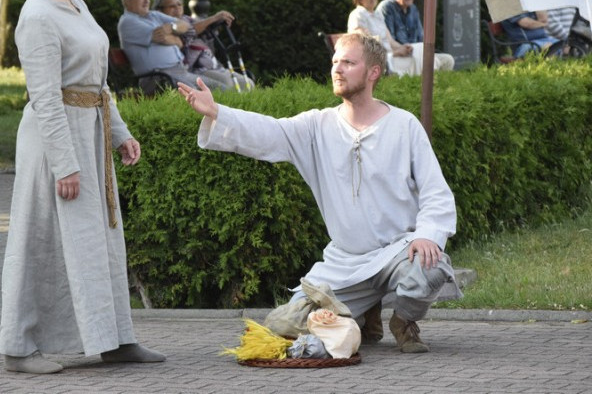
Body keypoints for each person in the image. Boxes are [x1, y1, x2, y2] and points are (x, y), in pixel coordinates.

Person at [178, 32, 461, 354]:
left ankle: (403, 320)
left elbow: (435, 192)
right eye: (335, 62)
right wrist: (218, 113)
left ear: (373, 72)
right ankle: (364, 311)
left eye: (348, 62)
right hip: (344, 263)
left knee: (431, 268)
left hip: (398, 252)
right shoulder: (317, 126)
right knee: (285, 324)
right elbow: (271, 131)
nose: (337, 69)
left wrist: (427, 234)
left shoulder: (403, 125)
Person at [0, 0, 165, 374]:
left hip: (90, 135)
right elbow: (44, 95)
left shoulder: (76, 3)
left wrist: (120, 134)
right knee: (40, 240)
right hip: (54, 144)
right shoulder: (38, 13)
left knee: (99, 243)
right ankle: (19, 348)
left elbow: (98, 83)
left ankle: (114, 339)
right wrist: (64, 164)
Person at [118, 0, 228, 94]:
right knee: (202, 95)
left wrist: (171, 27)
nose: (146, 1)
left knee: (222, 89)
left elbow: (184, 25)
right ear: (127, 2)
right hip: (159, 77)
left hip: (179, 72)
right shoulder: (127, 22)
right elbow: (163, 37)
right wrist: (176, 38)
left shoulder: (153, 15)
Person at [153, 0, 253, 90]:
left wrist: (218, 21)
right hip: (195, 70)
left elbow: (204, 27)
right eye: (172, 6)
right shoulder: (164, 26)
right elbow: (191, 31)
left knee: (248, 83)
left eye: (179, 4)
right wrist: (214, 18)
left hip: (214, 66)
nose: (177, 8)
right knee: (228, 83)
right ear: (160, 9)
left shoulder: (186, 19)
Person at [376, 0, 454, 71]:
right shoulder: (386, 7)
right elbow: (389, 43)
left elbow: (421, 37)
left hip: (417, 52)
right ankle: (429, 80)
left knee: (448, 60)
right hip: (400, 54)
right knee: (430, 65)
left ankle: (433, 79)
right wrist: (405, 49)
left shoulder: (413, 8)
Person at [347, 0, 418, 76]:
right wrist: (395, 53)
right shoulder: (357, 15)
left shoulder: (378, 15)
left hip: (390, 57)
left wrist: (402, 47)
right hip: (376, 62)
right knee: (415, 61)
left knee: (418, 51)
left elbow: (390, 41)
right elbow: (367, 48)